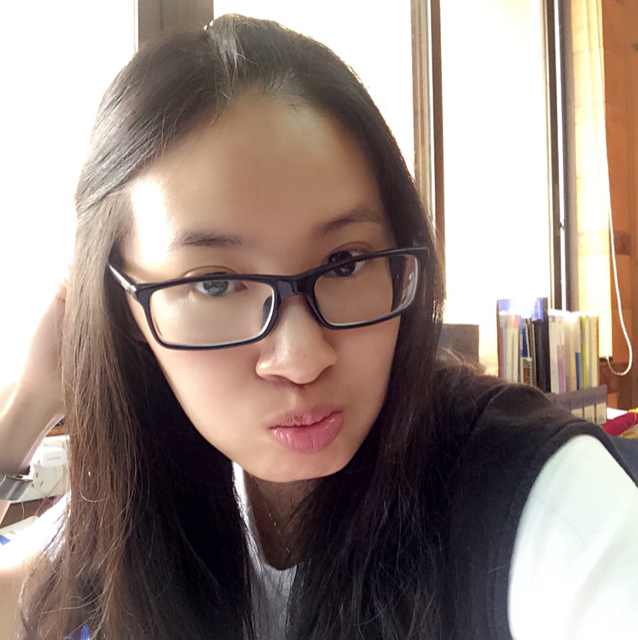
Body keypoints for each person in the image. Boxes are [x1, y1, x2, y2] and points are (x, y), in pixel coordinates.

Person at [1, 14, 637, 640]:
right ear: (126, 308)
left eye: (345, 262)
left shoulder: (543, 505)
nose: (301, 358)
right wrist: (26, 408)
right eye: (215, 283)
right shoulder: (148, 486)